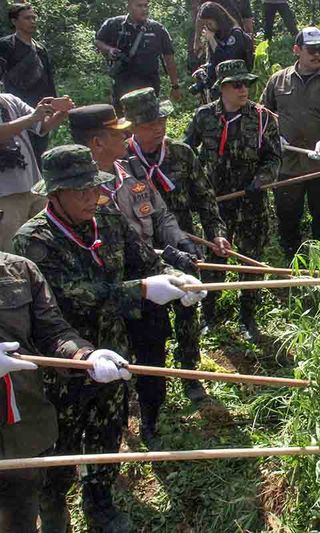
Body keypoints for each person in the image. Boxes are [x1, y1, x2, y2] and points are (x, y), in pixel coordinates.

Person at [12, 144, 195, 533]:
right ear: (54, 194)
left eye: (93, 188)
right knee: (61, 444)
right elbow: (77, 292)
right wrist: (143, 290)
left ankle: (100, 503)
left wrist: (177, 281)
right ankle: (55, 505)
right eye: (79, 191)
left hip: (112, 350)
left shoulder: (108, 219)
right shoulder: (34, 241)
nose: (90, 198)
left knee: (107, 432)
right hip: (63, 361)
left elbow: (144, 258)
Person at [69, 103, 205, 448]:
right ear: (97, 143)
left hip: (149, 284)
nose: (127, 136)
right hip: (101, 295)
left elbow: (160, 216)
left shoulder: (131, 170)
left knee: (151, 354)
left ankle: (150, 418)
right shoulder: (67, 193)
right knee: (106, 367)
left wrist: (180, 244)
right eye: (118, 133)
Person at [0, 253, 131, 533]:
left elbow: (53, 331)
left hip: (23, 429)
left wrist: (86, 357)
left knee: (21, 514)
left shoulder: (20, 270)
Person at [121, 87, 231, 402]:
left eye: (162, 120)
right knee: (145, 320)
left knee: (187, 312)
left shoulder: (182, 153)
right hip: (139, 254)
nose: (158, 128)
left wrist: (215, 232)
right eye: (148, 124)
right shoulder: (121, 161)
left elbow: (206, 200)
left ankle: (190, 374)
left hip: (182, 247)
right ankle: (145, 384)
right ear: (131, 128)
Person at [185, 59, 281, 341]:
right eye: (237, 85)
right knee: (215, 260)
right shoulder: (204, 117)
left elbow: (274, 158)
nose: (244, 90)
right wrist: (193, 190)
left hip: (252, 202)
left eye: (247, 84)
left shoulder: (263, 118)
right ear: (222, 88)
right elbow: (186, 153)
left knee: (251, 261)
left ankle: (248, 318)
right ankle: (209, 316)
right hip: (216, 205)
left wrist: (260, 182)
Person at [261, 27, 320, 259]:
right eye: (311, 50)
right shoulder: (278, 80)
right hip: (288, 166)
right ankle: (291, 259)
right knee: (288, 216)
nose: (317, 55)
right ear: (297, 50)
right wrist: (272, 136)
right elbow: (263, 113)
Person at [0, 93, 72, 252]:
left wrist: (61, 112)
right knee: (12, 252)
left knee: (52, 238)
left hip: (33, 187)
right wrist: (32, 117)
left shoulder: (9, 100)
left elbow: (42, 126)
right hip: (4, 196)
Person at [94, 0, 181, 109]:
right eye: (139, 6)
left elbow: (169, 58)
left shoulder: (158, 29)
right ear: (129, 6)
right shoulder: (114, 25)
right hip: (122, 85)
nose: (144, 9)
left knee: (148, 122)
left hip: (149, 87)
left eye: (146, 6)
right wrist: (109, 50)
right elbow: (98, 41)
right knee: (123, 123)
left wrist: (175, 86)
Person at [0, 3, 57, 164]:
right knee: (22, 158)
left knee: (40, 154)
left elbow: (48, 80)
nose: (32, 21)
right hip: (17, 111)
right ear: (14, 21)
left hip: (42, 109)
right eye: (27, 18)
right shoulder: (6, 46)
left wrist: (55, 104)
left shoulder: (40, 49)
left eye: (34, 18)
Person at [194, 2, 254, 92]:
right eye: (205, 25)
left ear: (217, 19)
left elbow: (227, 62)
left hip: (236, 83)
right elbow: (213, 61)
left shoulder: (235, 33)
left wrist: (212, 41)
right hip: (219, 85)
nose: (208, 27)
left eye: (209, 23)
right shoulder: (215, 35)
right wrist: (205, 69)